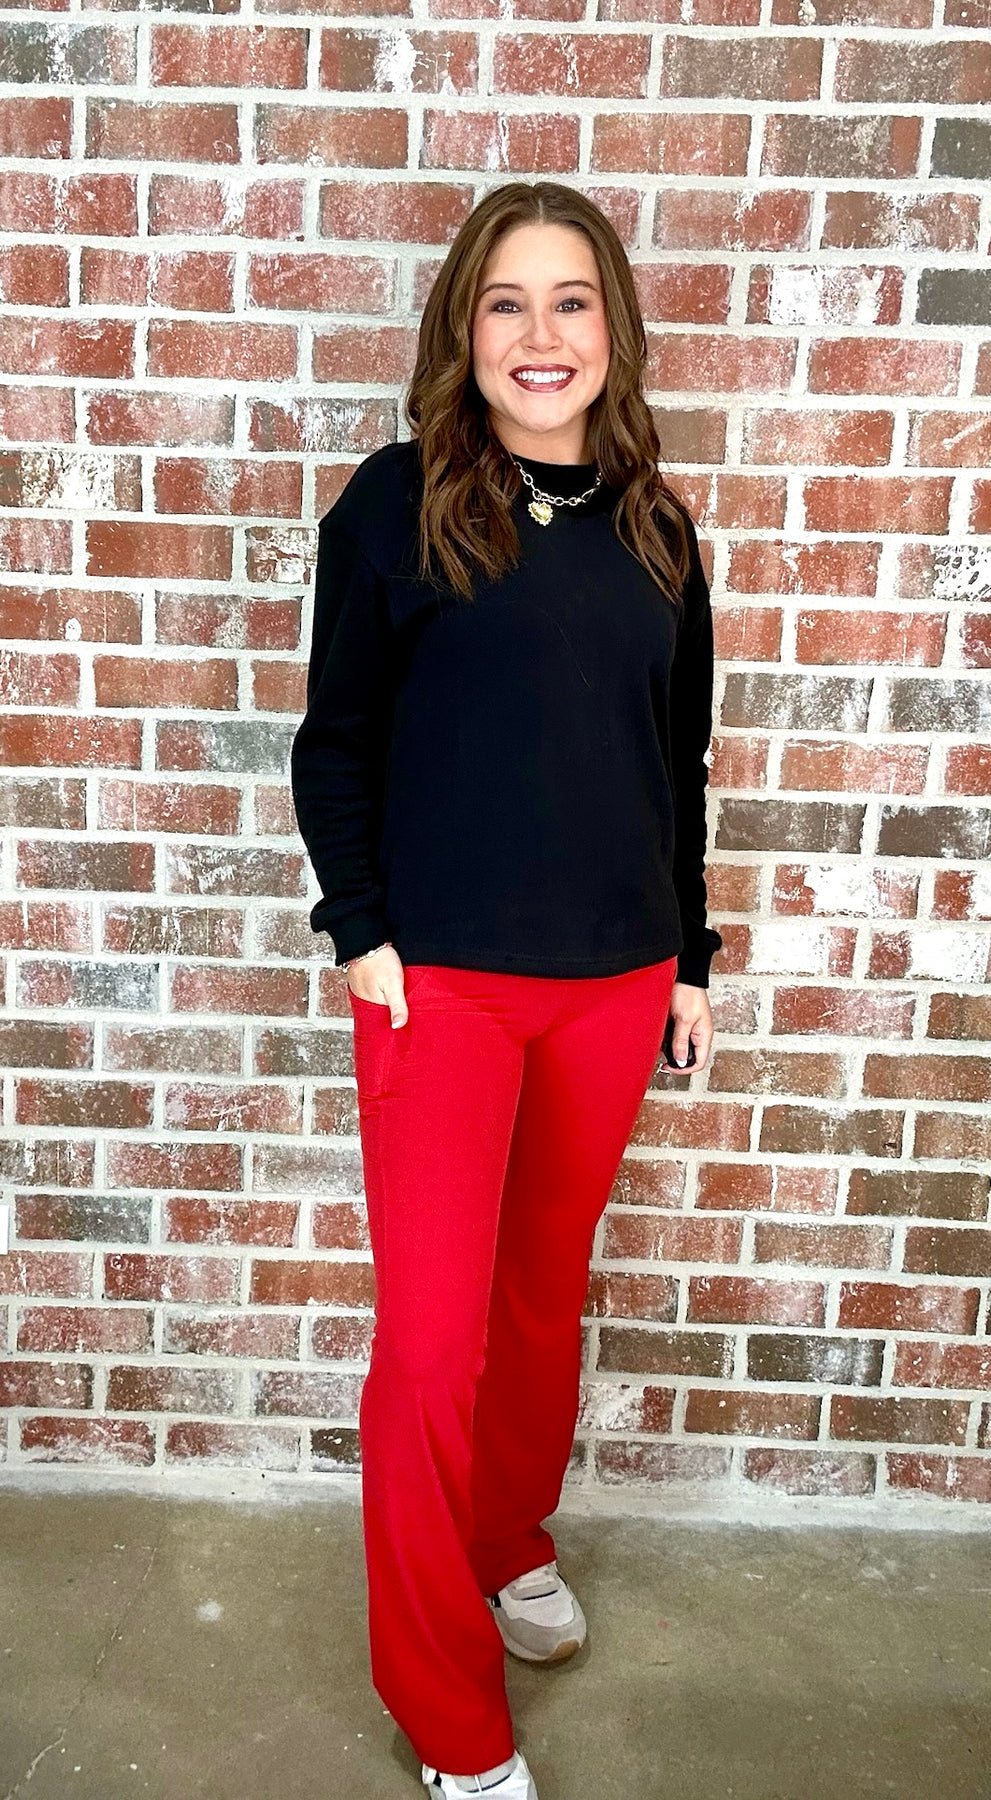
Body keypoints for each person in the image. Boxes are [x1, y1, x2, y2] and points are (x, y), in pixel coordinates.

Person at [291, 179, 722, 1800]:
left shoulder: (660, 530)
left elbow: (674, 764)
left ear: (614, 330)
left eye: (572, 301)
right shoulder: (396, 504)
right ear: (462, 330)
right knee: (431, 1348)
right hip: (443, 991)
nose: (542, 336)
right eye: (506, 303)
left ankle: (506, 1538)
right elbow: (334, 741)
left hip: (614, 985)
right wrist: (364, 933)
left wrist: (689, 959)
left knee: (541, 1301)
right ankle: (450, 1720)